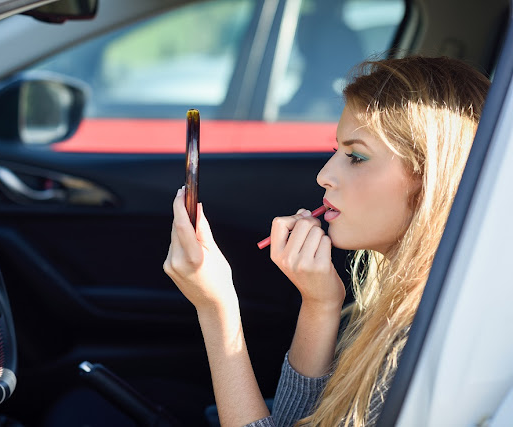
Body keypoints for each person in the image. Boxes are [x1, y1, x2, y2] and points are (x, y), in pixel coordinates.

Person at [163, 56, 490, 427]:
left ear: (430, 181)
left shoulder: (415, 343)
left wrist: (216, 309)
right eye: (336, 150)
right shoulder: (394, 308)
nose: (324, 176)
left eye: (355, 156)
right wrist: (319, 304)